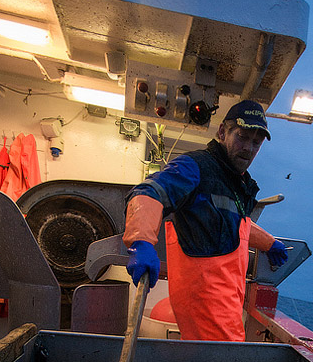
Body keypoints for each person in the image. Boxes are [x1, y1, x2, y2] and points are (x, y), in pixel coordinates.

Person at [122, 99, 288, 341]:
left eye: (256, 143)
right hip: (204, 309)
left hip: (229, 307)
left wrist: (269, 243)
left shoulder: (238, 184)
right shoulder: (195, 167)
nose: (248, 148)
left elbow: (237, 225)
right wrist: (141, 242)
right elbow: (148, 192)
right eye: (242, 137)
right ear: (222, 131)